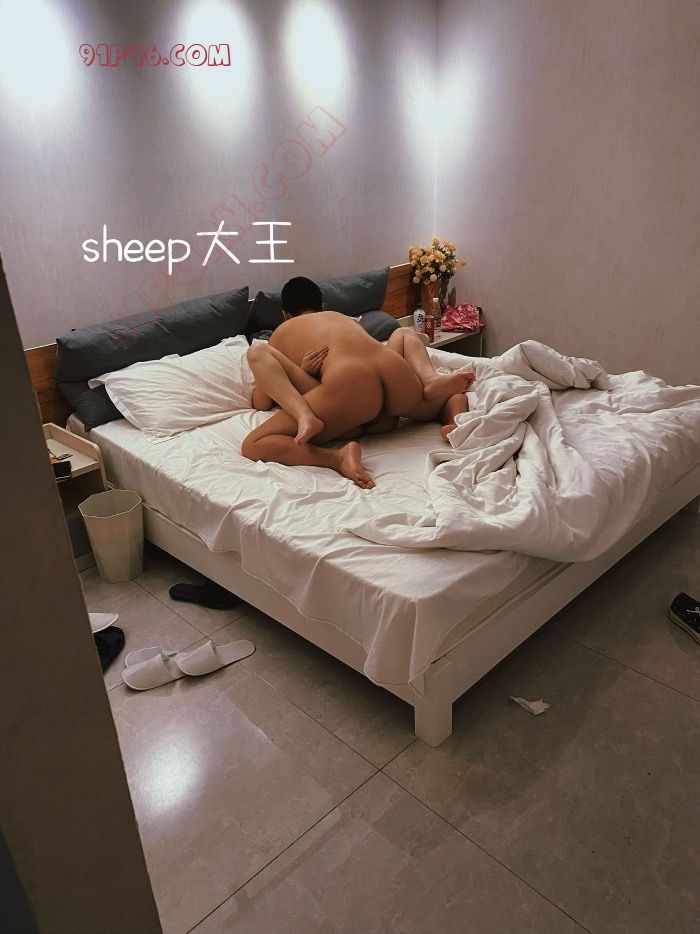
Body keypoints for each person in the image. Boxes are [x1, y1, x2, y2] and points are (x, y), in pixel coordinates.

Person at [241, 277, 473, 488]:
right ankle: (447, 410)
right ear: (322, 307)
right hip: (392, 373)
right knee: (403, 336)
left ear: (286, 315)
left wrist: (299, 372)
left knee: (254, 442)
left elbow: (261, 402)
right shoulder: (341, 318)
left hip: (351, 391)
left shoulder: (281, 332)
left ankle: (335, 455)